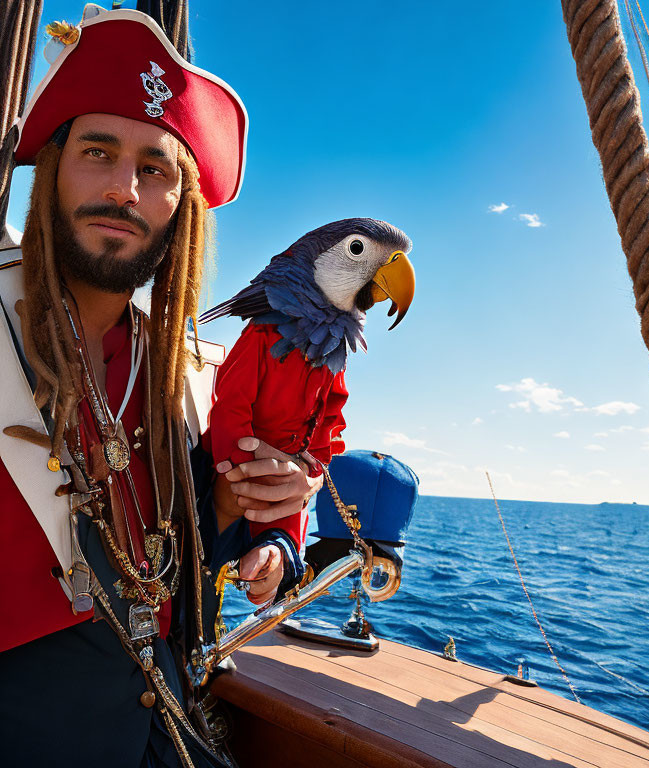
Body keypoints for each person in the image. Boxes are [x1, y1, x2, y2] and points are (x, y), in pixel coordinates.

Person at [0, 7, 320, 766]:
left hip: (159, 721)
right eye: (98, 153)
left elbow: (185, 538)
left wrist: (262, 517)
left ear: (181, 209)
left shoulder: (185, 372)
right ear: (51, 173)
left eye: (155, 169)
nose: (123, 188)